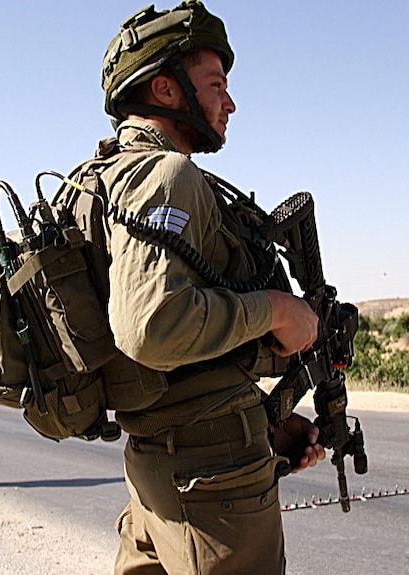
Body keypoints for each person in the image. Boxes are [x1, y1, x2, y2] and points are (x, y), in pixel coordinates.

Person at [84, 2, 326, 573]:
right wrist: (275, 312)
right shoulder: (167, 176)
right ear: (166, 90)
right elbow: (152, 329)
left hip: (166, 464)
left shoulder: (99, 183)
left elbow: (175, 371)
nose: (229, 102)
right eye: (216, 84)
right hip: (209, 479)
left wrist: (264, 422)